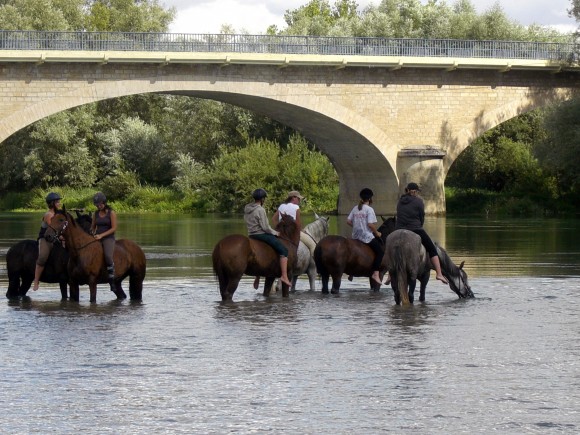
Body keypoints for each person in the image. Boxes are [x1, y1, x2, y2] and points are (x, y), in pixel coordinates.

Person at [395, 182, 449, 284]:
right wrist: (419, 226)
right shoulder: (419, 201)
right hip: (415, 228)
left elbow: (399, 215)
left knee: (391, 249)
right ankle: (439, 274)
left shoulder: (400, 201)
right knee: (432, 249)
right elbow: (421, 217)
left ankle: (390, 275)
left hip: (399, 229)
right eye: (417, 192)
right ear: (415, 192)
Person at [244, 188, 292, 288]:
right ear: (262, 199)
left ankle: (257, 278)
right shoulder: (260, 210)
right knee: (284, 251)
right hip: (261, 234)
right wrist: (276, 233)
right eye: (264, 198)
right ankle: (284, 276)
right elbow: (265, 227)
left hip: (251, 235)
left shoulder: (247, 208)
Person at [347, 188, 384, 285]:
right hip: (366, 237)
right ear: (370, 199)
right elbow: (370, 225)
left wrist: (356, 225)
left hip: (355, 236)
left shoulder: (355, 208)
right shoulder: (369, 209)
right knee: (380, 252)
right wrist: (377, 233)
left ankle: (351, 272)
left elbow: (348, 221)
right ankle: (375, 273)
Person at [32, 192, 63, 291]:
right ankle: (36, 281)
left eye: (59, 202)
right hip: (46, 239)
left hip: (57, 238)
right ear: (52, 203)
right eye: (57, 202)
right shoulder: (48, 215)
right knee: (42, 257)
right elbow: (53, 230)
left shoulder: (59, 214)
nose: (59, 203)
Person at [272, 190, 316, 255]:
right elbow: (298, 223)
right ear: (293, 198)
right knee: (312, 245)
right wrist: (302, 231)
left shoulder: (281, 206)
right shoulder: (296, 207)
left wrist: (278, 230)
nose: (299, 200)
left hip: (281, 233)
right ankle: (314, 263)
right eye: (298, 198)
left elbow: (273, 219)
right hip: (292, 232)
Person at [90, 191, 118, 292]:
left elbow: (114, 228)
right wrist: (92, 234)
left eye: (100, 204)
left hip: (108, 238)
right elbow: (93, 227)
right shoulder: (95, 214)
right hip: (97, 237)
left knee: (107, 256)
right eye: (97, 204)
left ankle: (112, 278)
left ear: (104, 202)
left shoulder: (111, 213)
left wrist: (101, 235)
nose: (98, 206)